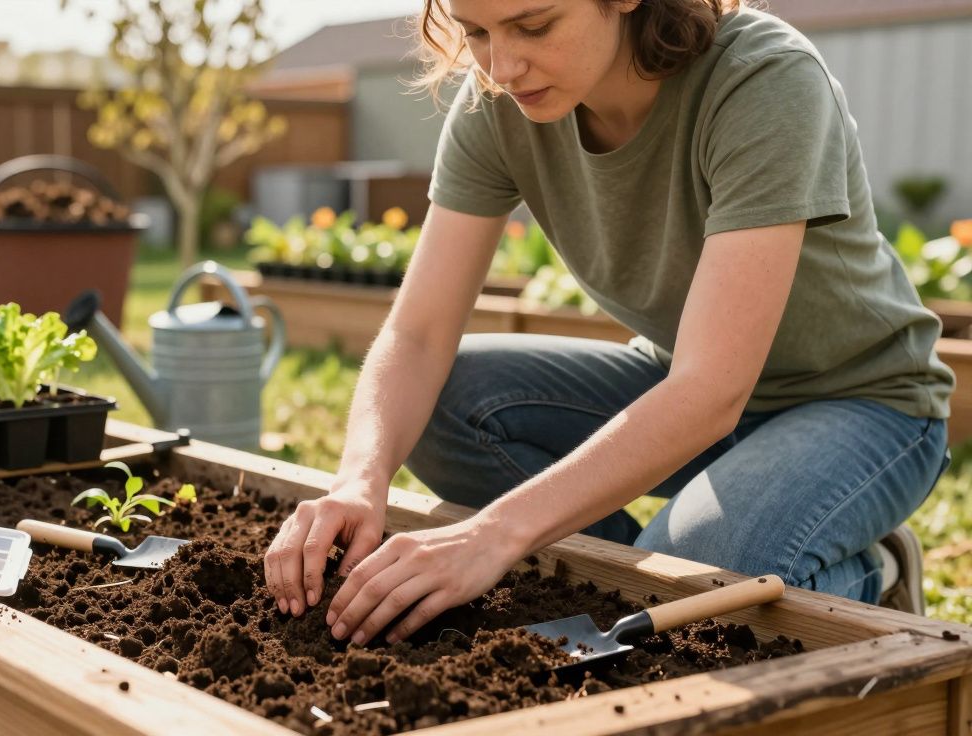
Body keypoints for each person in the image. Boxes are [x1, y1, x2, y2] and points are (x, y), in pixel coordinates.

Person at [263, 0, 954, 647]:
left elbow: (712, 391)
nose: (502, 67)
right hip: (680, 377)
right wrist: (358, 479)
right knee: (446, 401)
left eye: (534, 26)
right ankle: (636, 571)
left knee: (698, 574)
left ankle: (872, 574)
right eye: (476, 31)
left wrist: (495, 535)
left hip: (863, 403)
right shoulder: (497, 106)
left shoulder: (762, 80)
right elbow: (417, 336)